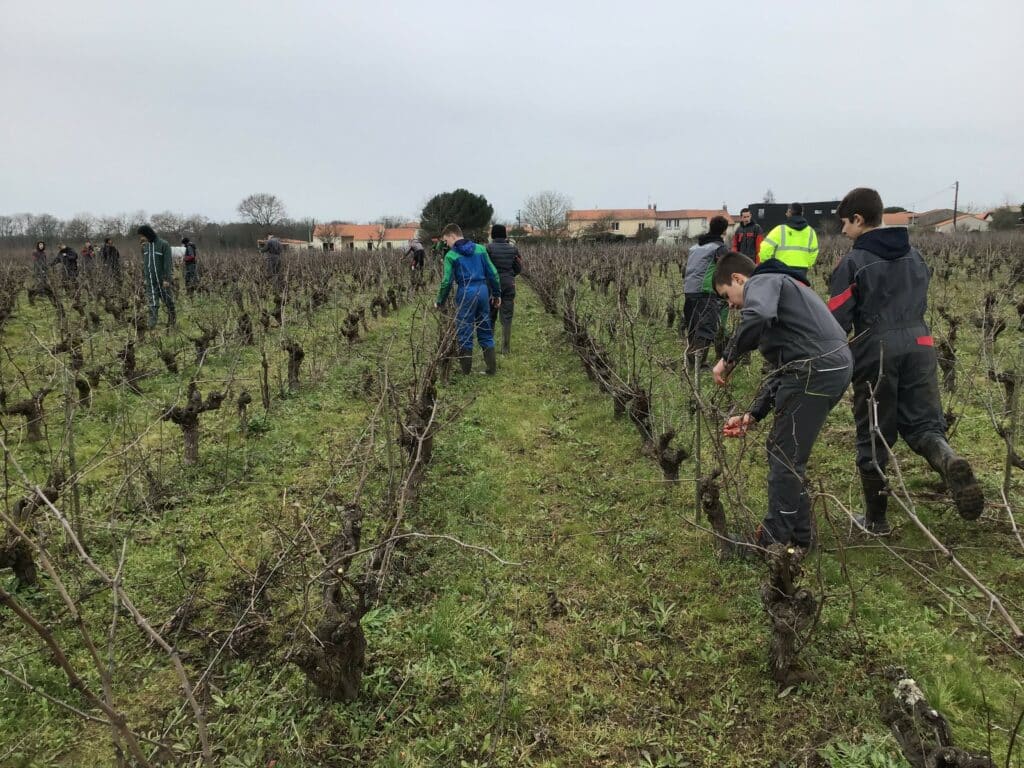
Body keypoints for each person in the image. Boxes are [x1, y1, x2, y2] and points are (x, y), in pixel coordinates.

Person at [829, 187, 984, 534]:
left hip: (876, 349)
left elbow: (837, 319)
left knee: (873, 433)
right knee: (924, 424)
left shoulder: (853, 263)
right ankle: (948, 460)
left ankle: (876, 520)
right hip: (921, 343)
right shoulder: (915, 256)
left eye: (844, 224)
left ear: (858, 219)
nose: (843, 232)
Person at [712, 252, 852, 552]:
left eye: (728, 296)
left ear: (738, 279)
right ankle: (801, 537)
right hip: (823, 369)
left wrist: (729, 357)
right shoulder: (783, 291)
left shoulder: (763, 281)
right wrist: (753, 414)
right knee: (785, 449)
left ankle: (773, 540)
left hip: (816, 370)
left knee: (785, 455)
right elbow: (785, 368)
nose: (732, 306)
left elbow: (758, 317)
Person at [434, 223, 502, 375]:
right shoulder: (481, 249)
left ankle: (466, 372)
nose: (446, 244)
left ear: (452, 236)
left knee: (465, 330)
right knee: (485, 327)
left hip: (465, 292)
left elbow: (446, 281)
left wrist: (440, 301)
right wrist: (497, 294)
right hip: (483, 291)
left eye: (446, 241)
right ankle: (491, 369)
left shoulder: (451, 256)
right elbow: (493, 273)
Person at [682, 215, 729, 369]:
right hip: (706, 291)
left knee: (693, 326)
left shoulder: (695, 247)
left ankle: (693, 359)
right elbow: (725, 268)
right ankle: (697, 362)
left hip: (689, 290)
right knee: (706, 327)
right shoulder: (719, 248)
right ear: (724, 230)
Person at [485, 224, 522, 354]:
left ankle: (489, 346)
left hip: (491, 286)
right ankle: (505, 348)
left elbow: (485, 268)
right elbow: (518, 268)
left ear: (493, 235)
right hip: (508, 284)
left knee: (491, 316)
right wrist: (510, 276)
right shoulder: (513, 249)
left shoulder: (488, 249)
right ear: (505, 234)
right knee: (507, 317)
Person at [758, 202, 819, 278]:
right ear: (802, 213)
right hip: (802, 271)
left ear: (789, 212)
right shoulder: (811, 231)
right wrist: (807, 264)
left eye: (787, 211)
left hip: (781, 270)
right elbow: (814, 252)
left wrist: (766, 263)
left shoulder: (779, 230)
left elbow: (765, 248)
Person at [138, 224, 176, 328]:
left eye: (143, 235)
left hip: (163, 281)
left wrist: (166, 279)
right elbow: (146, 264)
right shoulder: (145, 246)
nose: (142, 238)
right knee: (152, 304)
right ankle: (152, 326)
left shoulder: (164, 244)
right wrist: (146, 278)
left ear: (148, 234)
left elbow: (167, 263)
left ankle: (173, 322)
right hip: (150, 281)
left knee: (169, 302)